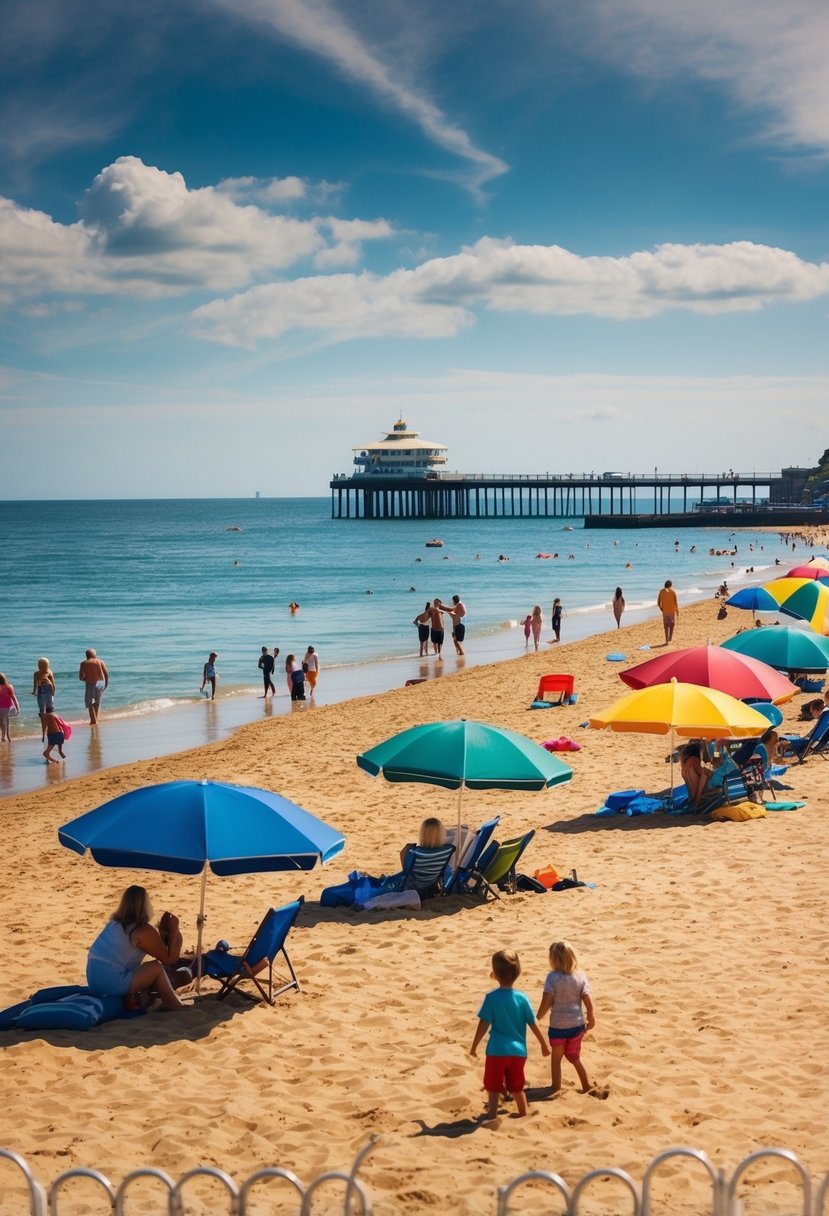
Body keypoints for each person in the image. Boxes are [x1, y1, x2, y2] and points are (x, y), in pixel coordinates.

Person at [470, 949, 550, 1121]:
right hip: (518, 1052)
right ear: (518, 973)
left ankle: (492, 1116)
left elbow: (483, 1024)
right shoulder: (522, 998)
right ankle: (523, 1113)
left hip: (496, 1052)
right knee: (517, 1087)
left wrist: (474, 1046)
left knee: (492, 1087)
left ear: (495, 975)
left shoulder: (491, 998)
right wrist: (544, 1044)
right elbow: (533, 1022)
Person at [86, 885, 186, 1011]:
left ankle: (152, 998)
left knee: (144, 967)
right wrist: (174, 930)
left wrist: (162, 933)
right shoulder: (142, 930)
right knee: (155, 968)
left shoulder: (114, 924)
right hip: (110, 983)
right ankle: (174, 1005)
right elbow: (170, 959)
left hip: (94, 981)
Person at [536, 940, 595, 1095]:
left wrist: (538, 1017)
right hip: (577, 1026)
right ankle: (586, 1084)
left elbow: (547, 1001)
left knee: (557, 1058)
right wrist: (591, 1016)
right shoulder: (580, 976)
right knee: (574, 1056)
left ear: (553, 959)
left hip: (558, 1027)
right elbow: (587, 999)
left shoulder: (552, 977)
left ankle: (555, 1086)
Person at [679, 740, 715, 807]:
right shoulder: (693, 760)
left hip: (692, 797)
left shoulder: (686, 764)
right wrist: (698, 797)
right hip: (701, 796)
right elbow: (704, 775)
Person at [78, 647, 109, 724]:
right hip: (101, 682)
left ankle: (93, 720)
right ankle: (96, 719)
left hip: (90, 683)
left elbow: (81, 677)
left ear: (87, 656)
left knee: (89, 702)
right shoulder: (100, 662)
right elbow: (106, 674)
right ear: (95, 655)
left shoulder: (84, 663)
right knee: (97, 702)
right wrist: (106, 684)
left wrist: (85, 679)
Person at [31, 657, 56, 740]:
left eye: (40, 665)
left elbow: (52, 684)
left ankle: (48, 731)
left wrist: (53, 693)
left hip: (46, 692)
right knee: (45, 711)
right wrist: (34, 691)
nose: (39, 666)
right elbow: (35, 685)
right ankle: (46, 731)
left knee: (47, 711)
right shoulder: (38, 673)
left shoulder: (47, 672)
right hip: (44, 693)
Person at [0, 673, 21, 743]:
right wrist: (17, 708)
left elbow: (13, 697)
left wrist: (17, 707)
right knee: (4, 722)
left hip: (4, 707)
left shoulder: (8, 687)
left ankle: (4, 737)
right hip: (6, 707)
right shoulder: (9, 686)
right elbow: (14, 697)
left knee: (2, 722)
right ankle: (6, 736)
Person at [657, 579, 679, 644]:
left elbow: (658, 602)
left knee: (666, 625)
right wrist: (677, 612)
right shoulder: (673, 591)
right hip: (672, 611)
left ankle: (666, 640)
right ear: (671, 585)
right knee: (672, 625)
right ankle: (670, 639)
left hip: (665, 612)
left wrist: (662, 609)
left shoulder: (661, 591)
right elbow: (676, 603)